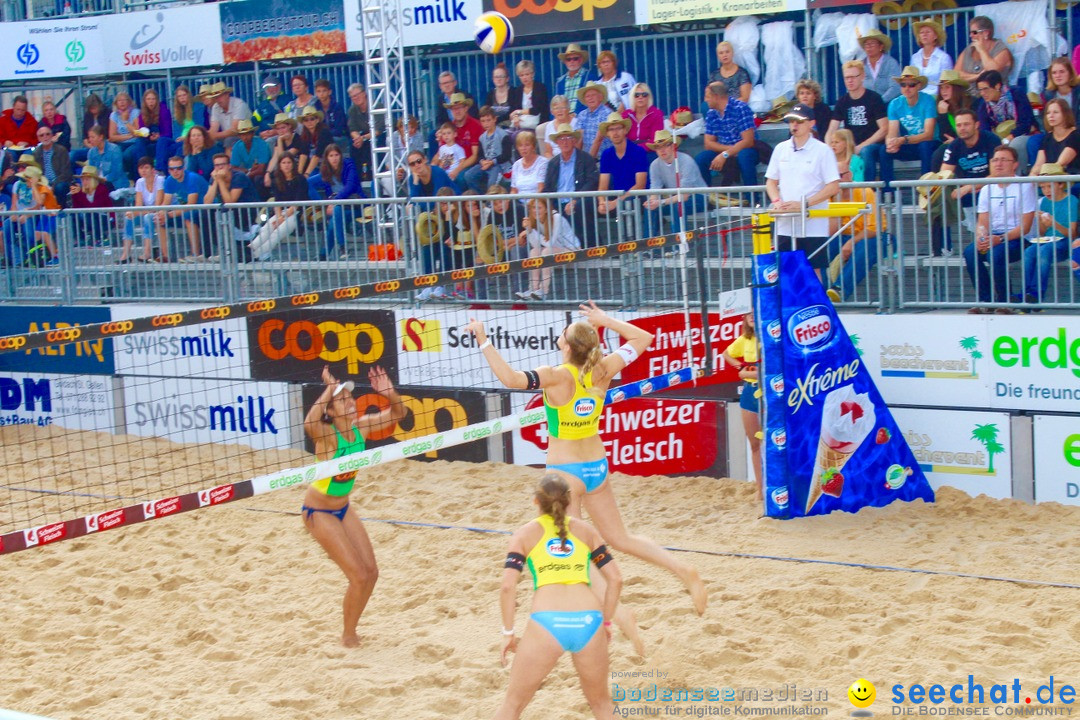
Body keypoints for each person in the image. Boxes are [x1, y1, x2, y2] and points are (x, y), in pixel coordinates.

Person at [465, 302, 706, 619]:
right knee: (620, 538)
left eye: (564, 334)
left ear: (565, 344)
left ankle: (619, 615)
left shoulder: (555, 376)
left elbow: (510, 379)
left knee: (579, 550)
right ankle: (683, 569)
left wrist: (483, 338)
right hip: (597, 467)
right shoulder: (603, 368)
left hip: (566, 475)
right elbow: (643, 338)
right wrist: (605, 320)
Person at [490, 473, 622, 720]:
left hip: (547, 623)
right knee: (602, 705)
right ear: (570, 501)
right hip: (588, 621)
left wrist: (508, 632)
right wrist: (605, 622)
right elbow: (616, 579)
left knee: (512, 706)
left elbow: (508, 586)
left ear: (535, 502)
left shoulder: (525, 534)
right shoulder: (586, 531)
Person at [301, 364, 405, 649]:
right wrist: (328, 389)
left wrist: (389, 393)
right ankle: (348, 635)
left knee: (372, 573)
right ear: (331, 412)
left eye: (350, 398)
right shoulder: (327, 435)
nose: (350, 401)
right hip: (318, 513)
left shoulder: (361, 427)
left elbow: (399, 414)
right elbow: (310, 423)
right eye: (342, 400)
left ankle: (352, 630)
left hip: (344, 508)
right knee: (358, 575)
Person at [766, 103, 842, 280]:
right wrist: (777, 202)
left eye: (799, 121)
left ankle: (816, 307)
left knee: (813, 270)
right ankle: (791, 307)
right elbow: (771, 181)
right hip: (785, 223)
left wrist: (804, 204)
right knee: (785, 270)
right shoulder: (780, 149)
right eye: (792, 121)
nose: (794, 125)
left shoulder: (823, 151)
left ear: (811, 123)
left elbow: (833, 186)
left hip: (813, 224)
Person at [964, 146, 1036, 312]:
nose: (998, 163)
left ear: (1015, 164)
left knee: (995, 253)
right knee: (970, 253)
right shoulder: (987, 188)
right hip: (994, 237)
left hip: (1019, 239)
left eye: (1004, 159)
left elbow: (1025, 227)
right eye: (995, 160)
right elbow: (982, 222)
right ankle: (985, 301)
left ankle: (1005, 301)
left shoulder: (1024, 186)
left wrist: (1001, 238)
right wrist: (981, 237)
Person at [934, 109, 999, 256]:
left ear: (977, 125)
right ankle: (944, 247)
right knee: (937, 200)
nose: (962, 128)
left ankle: (984, 243)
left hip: (991, 188)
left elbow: (996, 174)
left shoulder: (991, 140)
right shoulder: (955, 145)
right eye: (959, 125)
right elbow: (944, 174)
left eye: (966, 124)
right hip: (967, 192)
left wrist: (969, 187)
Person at [825, 155, 886, 302]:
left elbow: (875, 228)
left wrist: (851, 242)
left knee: (865, 247)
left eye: (841, 176)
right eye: (834, 177)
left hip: (873, 236)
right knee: (820, 247)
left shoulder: (865, 191)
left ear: (850, 175)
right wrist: (837, 205)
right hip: (842, 235)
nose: (838, 180)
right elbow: (830, 232)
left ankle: (839, 288)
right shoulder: (828, 195)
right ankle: (821, 291)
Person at [1023, 163, 1078, 305]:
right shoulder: (1044, 202)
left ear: (1060, 185)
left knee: (1045, 250)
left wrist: (1054, 223)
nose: (1046, 190)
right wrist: (1041, 221)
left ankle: (1036, 293)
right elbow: (1042, 233)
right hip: (1048, 241)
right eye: (1043, 187)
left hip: (1064, 242)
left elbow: (1071, 233)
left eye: (1049, 186)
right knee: (1029, 251)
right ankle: (1027, 292)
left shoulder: (1072, 201)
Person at [721, 313, 761, 501]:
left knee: (778, 443)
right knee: (754, 444)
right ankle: (761, 490)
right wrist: (740, 368)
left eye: (755, 311)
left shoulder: (773, 337)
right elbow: (726, 354)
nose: (751, 316)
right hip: (750, 393)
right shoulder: (745, 339)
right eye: (748, 313)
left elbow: (768, 373)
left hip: (771, 393)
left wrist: (747, 373)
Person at [827, 61, 888, 183]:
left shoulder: (874, 98)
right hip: (850, 145)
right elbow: (831, 130)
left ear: (862, 77)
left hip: (873, 144)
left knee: (866, 151)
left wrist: (861, 146)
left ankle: (868, 191)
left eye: (853, 77)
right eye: (846, 77)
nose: (850, 81)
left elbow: (884, 128)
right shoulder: (842, 102)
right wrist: (829, 147)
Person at [642, 129, 709, 238]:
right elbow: (655, 188)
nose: (662, 150)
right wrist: (652, 201)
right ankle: (648, 246)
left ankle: (682, 245)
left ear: (673, 146)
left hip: (698, 197)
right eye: (658, 147)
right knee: (650, 208)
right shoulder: (655, 165)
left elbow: (685, 195)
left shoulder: (686, 161)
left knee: (677, 206)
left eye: (665, 145)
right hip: (676, 198)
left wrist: (661, 202)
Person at [882, 66, 938, 189]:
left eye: (911, 85)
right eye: (903, 85)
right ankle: (888, 194)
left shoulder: (928, 100)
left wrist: (903, 140)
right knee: (884, 150)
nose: (907, 88)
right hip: (910, 143)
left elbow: (928, 135)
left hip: (930, 144)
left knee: (925, 146)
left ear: (918, 86)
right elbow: (892, 131)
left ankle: (926, 189)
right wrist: (891, 143)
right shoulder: (894, 104)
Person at [543, 124, 599, 247]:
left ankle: (587, 248)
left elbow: (592, 182)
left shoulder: (586, 159)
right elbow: (547, 188)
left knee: (579, 207)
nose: (565, 142)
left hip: (579, 200)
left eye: (568, 138)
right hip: (557, 203)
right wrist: (548, 206)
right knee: (541, 210)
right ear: (557, 142)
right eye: (561, 139)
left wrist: (574, 200)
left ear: (574, 140)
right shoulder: (553, 163)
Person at [696, 81, 758, 191]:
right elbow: (708, 144)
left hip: (747, 150)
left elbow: (748, 141)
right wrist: (729, 151)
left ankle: (753, 199)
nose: (705, 100)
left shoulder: (741, 108)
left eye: (707, 96)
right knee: (702, 158)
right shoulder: (711, 113)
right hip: (728, 150)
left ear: (716, 96)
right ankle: (707, 198)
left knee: (744, 155)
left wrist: (725, 154)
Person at [515, 198, 580, 300]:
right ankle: (533, 289)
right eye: (533, 208)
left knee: (546, 251)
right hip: (555, 249)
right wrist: (529, 230)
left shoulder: (556, 217)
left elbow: (550, 243)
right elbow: (536, 245)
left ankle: (544, 291)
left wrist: (533, 231)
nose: (536, 211)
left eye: (539, 208)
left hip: (573, 250)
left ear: (546, 209)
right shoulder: (534, 219)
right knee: (534, 251)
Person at [308, 144, 363, 261]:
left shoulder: (349, 165)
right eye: (331, 155)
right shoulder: (325, 172)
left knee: (336, 212)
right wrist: (323, 205)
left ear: (341, 156)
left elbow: (350, 187)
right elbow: (307, 183)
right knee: (335, 217)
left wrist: (334, 202)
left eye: (336, 155)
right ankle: (339, 249)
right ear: (327, 158)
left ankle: (327, 252)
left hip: (354, 205)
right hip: (337, 209)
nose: (334, 158)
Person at [249, 153, 308, 260]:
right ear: (279, 165)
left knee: (277, 232)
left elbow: (298, 202)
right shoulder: (277, 180)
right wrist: (279, 216)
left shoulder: (300, 179)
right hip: (282, 212)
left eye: (289, 162)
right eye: (283, 163)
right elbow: (277, 201)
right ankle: (249, 248)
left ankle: (254, 255)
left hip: (296, 213)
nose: (286, 165)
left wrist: (282, 218)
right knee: (267, 227)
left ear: (293, 164)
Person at [975, 70, 1036, 172]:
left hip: (1025, 134)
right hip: (999, 140)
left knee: (1015, 144)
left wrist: (1007, 140)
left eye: (985, 89)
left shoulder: (1017, 94)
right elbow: (985, 131)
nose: (982, 93)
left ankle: (1017, 178)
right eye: (980, 90)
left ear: (997, 86)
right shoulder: (983, 106)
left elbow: (1025, 123)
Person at [203, 152, 260, 261]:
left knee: (223, 213)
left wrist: (220, 180)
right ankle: (211, 253)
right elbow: (207, 202)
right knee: (206, 214)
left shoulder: (239, 177)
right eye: (216, 165)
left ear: (229, 166)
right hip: (229, 213)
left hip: (246, 213)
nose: (219, 167)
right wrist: (216, 181)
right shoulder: (215, 178)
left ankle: (229, 252)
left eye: (222, 164)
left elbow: (230, 201)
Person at [4, 165, 59, 266]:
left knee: (37, 234)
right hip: (41, 215)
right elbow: (14, 203)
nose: (26, 181)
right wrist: (14, 213)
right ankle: (12, 259)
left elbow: (40, 203)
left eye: (28, 179)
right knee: (7, 229)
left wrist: (34, 186)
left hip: (50, 214)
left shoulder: (43, 188)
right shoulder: (19, 185)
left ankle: (53, 256)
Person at [1029, 58, 1080, 166]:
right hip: (1055, 132)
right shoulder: (1048, 95)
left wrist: (1072, 130)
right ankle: (1038, 175)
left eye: (1062, 72)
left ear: (1070, 73)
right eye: (1054, 73)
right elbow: (1045, 118)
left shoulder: (1078, 92)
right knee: (1033, 142)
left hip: (1076, 131)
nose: (1058, 75)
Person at [596, 112, 648, 217]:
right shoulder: (606, 154)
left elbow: (640, 185)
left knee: (629, 202)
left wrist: (616, 202)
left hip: (638, 197)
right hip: (617, 197)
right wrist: (602, 202)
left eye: (618, 128)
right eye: (611, 129)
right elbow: (602, 187)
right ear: (607, 134)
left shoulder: (638, 151)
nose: (615, 133)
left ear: (625, 130)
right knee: (588, 205)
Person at [120, 156, 167, 264]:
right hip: (147, 211)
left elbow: (157, 205)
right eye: (141, 168)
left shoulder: (160, 180)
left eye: (146, 167)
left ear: (152, 169)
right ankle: (126, 253)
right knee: (129, 218)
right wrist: (132, 213)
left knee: (147, 217)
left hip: (158, 212)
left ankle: (147, 252)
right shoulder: (140, 182)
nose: (143, 170)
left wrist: (140, 211)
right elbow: (138, 205)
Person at [465, 105, 513, 193]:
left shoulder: (503, 135)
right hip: (486, 163)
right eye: (483, 121)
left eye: (488, 120)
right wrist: (482, 161)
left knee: (492, 182)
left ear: (495, 119)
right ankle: (481, 198)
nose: (486, 123)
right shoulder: (482, 137)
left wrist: (492, 162)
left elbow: (507, 155)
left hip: (498, 164)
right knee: (469, 175)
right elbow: (480, 155)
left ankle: (489, 203)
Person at [1029, 98, 1080, 177]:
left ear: (1065, 114)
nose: (1051, 116)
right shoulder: (1047, 138)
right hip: (1050, 180)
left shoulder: (1075, 136)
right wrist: (1032, 176)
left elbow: (1059, 164)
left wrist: (1044, 177)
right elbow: (1038, 165)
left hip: (1071, 180)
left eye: (1055, 112)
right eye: (1048, 113)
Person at [956, 16, 1013, 85]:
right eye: (970, 32)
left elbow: (992, 72)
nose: (970, 35)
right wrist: (977, 77)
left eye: (974, 32)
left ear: (986, 33)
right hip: (968, 93)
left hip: (995, 94)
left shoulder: (1001, 50)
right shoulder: (969, 49)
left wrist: (982, 50)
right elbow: (956, 74)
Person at [67, 166, 114, 247]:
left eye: (87, 179)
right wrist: (75, 195)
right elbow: (77, 209)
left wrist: (79, 194)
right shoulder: (82, 191)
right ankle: (80, 239)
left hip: (105, 218)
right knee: (72, 215)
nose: (84, 182)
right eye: (83, 179)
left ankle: (99, 238)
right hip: (89, 218)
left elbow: (94, 207)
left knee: (89, 214)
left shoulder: (102, 189)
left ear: (93, 180)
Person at [443, 93, 484, 186]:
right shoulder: (449, 127)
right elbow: (443, 152)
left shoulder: (475, 125)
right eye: (454, 108)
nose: (457, 111)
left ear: (466, 108)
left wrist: (456, 170)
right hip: (452, 164)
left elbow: (474, 156)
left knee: (461, 177)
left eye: (459, 108)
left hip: (471, 164)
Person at [346, 83, 382, 181]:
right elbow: (352, 128)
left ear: (364, 93)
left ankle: (377, 174)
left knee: (376, 141)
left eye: (357, 94)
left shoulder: (376, 106)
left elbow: (378, 130)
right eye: (353, 96)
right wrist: (357, 138)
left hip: (380, 135)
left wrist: (362, 138)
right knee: (353, 144)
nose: (356, 98)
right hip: (365, 136)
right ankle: (357, 176)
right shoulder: (352, 110)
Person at [910, 19, 953, 96]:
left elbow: (947, 82)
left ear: (935, 36)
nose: (924, 35)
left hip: (937, 96)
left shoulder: (944, 58)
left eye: (928, 32)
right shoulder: (914, 57)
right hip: (917, 96)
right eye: (921, 32)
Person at [267, 113, 309, 192]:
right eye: (278, 129)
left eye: (283, 127)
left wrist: (279, 140)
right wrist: (267, 172)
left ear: (289, 126)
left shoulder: (297, 139)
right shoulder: (280, 140)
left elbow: (283, 158)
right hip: (285, 169)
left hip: (297, 169)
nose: (281, 131)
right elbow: (275, 158)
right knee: (264, 179)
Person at [32, 125, 72, 208]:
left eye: (47, 134)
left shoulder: (61, 150)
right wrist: (44, 185)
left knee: (60, 187)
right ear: (38, 138)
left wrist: (52, 186)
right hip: (43, 183)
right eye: (42, 135)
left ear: (52, 136)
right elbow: (36, 173)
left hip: (59, 182)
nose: (45, 137)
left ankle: (61, 210)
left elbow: (66, 173)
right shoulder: (36, 153)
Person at [859, 29, 902, 104]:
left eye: (872, 43)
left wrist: (879, 101)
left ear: (881, 47)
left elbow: (896, 87)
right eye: (866, 44)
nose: (869, 46)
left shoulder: (891, 63)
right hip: (866, 106)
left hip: (889, 104)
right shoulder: (860, 65)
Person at [229, 119, 271, 193]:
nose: (245, 137)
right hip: (249, 172)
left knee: (257, 179)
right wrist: (247, 171)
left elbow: (261, 170)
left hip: (266, 173)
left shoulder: (261, 144)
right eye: (242, 134)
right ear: (239, 136)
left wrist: (246, 175)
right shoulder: (237, 146)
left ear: (252, 134)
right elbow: (233, 168)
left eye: (247, 134)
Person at [207, 82, 252, 150]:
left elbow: (235, 130)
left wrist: (214, 135)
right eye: (216, 97)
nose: (218, 100)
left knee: (229, 140)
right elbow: (213, 128)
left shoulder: (239, 104)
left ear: (227, 94)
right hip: (227, 136)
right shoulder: (215, 107)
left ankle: (227, 161)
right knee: (209, 142)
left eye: (220, 96)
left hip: (245, 135)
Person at [108, 91, 142, 178]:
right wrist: (130, 135)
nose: (122, 102)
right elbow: (112, 137)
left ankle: (133, 177)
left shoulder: (135, 112)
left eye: (124, 100)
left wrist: (125, 121)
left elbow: (137, 133)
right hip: (121, 143)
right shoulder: (114, 115)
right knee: (114, 154)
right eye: (119, 100)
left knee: (127, 155)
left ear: (129, 102)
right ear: (116, 103)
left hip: (134, 142)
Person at [138, 88, 173, 172]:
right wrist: (149, 136)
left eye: (153, 99)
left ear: (157, 100)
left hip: (164, 138)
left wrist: (159, 136)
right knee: (138, 141)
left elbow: (169, 132)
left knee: (161, 140)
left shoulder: (164, 111)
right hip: (150, 139)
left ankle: (159, 170)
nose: (151, 101)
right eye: (148, 99)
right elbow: (142, 130)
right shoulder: (142, 114)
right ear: (145, 101)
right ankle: (143, 167)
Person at [622, 83, 664, 150]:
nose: (640, 97)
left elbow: (655, 140)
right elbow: (622, 137)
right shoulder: (626, 115)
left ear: (649, 97)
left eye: (644, 95)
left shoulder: (656, 114)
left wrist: (636, 149)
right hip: (629, 151)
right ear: (632, 97)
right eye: (637, 95)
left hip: (649, 152)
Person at [555, 44, 595, 114]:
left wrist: (576, 114)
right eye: (568, 59)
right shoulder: (560, 81)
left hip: (581, 117)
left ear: (581, 60)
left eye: (575, 58)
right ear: (565, 62)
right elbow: (556, 103)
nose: (572, 61)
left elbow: (591, 102)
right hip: (563, 118)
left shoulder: (589, 77)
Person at [576, 83, 612, 158]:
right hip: (587, 158)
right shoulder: (582, 114)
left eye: (593, 95)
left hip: (605, 158)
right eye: (587, 96)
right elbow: (579, 139)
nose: (590, 98)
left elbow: (598, 139)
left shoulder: (607, 113)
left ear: (600, 97)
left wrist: (589, 163)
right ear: (585, 100)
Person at [86, 125, 128, 190]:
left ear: (101, 137)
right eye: (89, 137)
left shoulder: (114, 149)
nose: (90, 140)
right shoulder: (91, 152)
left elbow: (116, 172)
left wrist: (103, 179)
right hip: (99, 184)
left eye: (92, 137)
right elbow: (91, 171)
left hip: (115, 185)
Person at [510, 60, 549, 129]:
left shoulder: (540, 88)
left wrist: (519, 112)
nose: (524, 77)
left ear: (532, 74)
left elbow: (536, 110)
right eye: (521, 75)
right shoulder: (518, 90)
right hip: (521, 122)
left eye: (527, 74)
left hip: (538, 123)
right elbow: (514, 108)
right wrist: (515, 117)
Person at [510, 131, 548, 200]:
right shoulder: (516, 165)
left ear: (533, 146)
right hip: (519, 204)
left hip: (536, 203)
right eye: (520, 145)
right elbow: (514, 190)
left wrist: (531, 205)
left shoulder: (543, 162)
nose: (523, 148)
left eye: (527, 145)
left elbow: (541, 188)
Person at [298, 106, 333, 177]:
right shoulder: (305, 135)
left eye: (312, 119)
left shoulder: (324, 132)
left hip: (328, 167)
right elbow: (303, 154)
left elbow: (317, 156)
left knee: (309, 182)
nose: (309, 122)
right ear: (303, 123)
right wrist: (299, 174)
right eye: (306, 120)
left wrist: (306, 174)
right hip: (315, 168)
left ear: (317, 120)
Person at [73, 93, 107, 165]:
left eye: (95, 107)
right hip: (90, 147)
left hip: (104, 147)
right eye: (91, 108)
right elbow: (85, 137)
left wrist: (97, 147)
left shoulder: (107, 113)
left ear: (99, 105)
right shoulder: (87, 116)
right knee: (72, 155)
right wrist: (92, 147)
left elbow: (108, 135)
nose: (93, 109)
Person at [313, 79, 348, 146]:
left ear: (329, 92)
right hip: (321, 139)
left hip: (338, 138)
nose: (321, 94)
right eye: (318, 91)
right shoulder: (315, 108)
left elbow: (339, 129)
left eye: (324, 91)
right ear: (316, 93)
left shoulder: (337, 107)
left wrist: (325, 135)